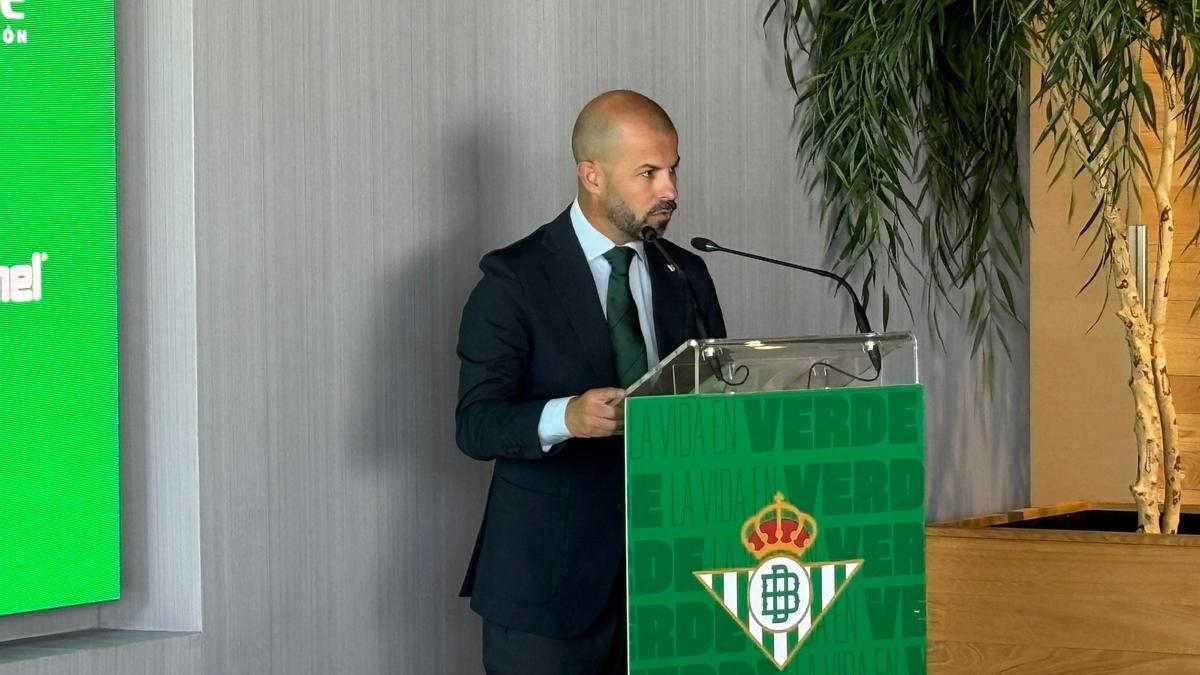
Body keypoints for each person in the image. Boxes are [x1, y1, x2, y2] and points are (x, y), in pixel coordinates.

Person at [455, 89, 727, 674]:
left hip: (671, 579)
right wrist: (567, 417)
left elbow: (715, 402)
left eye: (673, 169)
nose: (670, 190)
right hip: (548, 590)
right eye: (649, 172)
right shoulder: (513, 278)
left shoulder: (688, 272)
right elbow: (475, 424)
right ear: (592, 175)